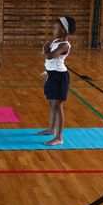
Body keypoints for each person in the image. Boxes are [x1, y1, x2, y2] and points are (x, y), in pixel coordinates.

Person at [39, 16, 76, 146]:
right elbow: (46, 53)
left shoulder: (65, 45)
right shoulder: (56, 41)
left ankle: (59, 137)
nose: (53, 30)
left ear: (63, 31)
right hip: (52, 75)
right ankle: (51, 129)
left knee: (58, 105)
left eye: (56, 28)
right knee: (51, 104)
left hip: (59, 77)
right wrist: (45, 49)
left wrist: (46, 49)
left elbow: (50, 56)